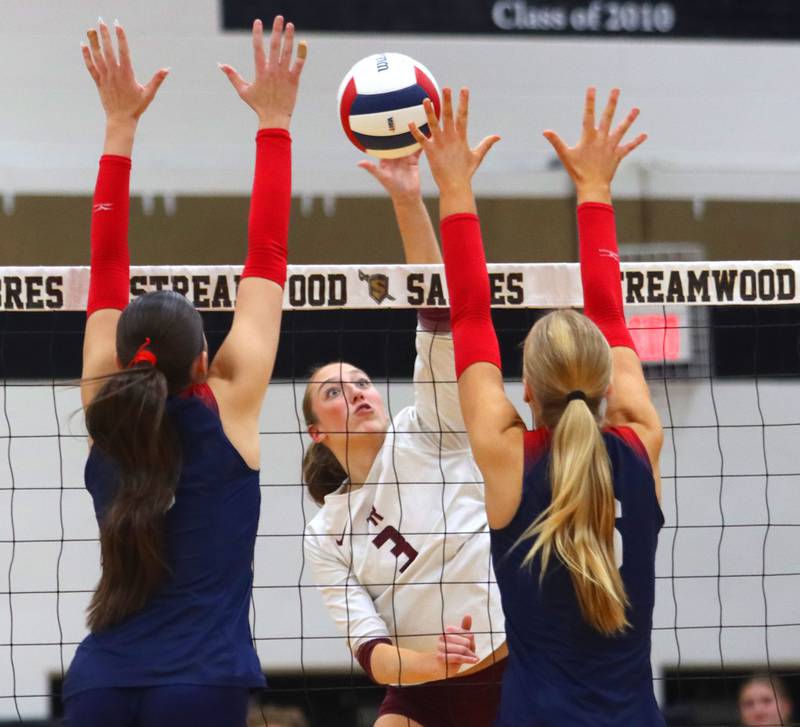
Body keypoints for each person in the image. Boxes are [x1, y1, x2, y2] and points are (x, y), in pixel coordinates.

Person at [62, 17, 306, 726]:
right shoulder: (228, 406)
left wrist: (119, 127)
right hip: (200, 680)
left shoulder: (106, 411)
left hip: (98, 682)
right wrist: (274, 123)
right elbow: (267, 254)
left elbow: (105, 268)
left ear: (122, 358)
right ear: (205, 360)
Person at [409, 85, 664, 726]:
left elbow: (470, 315)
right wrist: (595, 189)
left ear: (526, 389)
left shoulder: (508, 458)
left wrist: (455, 188)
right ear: (608, 385)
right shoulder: (640, 442)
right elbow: (610, 314)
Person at [302, 150, 507, 727]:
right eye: (336, 392)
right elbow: (371, 651)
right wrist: (429, 663)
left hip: (514, 664)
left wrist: (408, 200)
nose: (358, 392)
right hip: (424, 686)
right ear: (318, 432)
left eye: (362, 382)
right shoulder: (325, 533)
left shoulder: (429, 429)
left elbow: (437, 314)